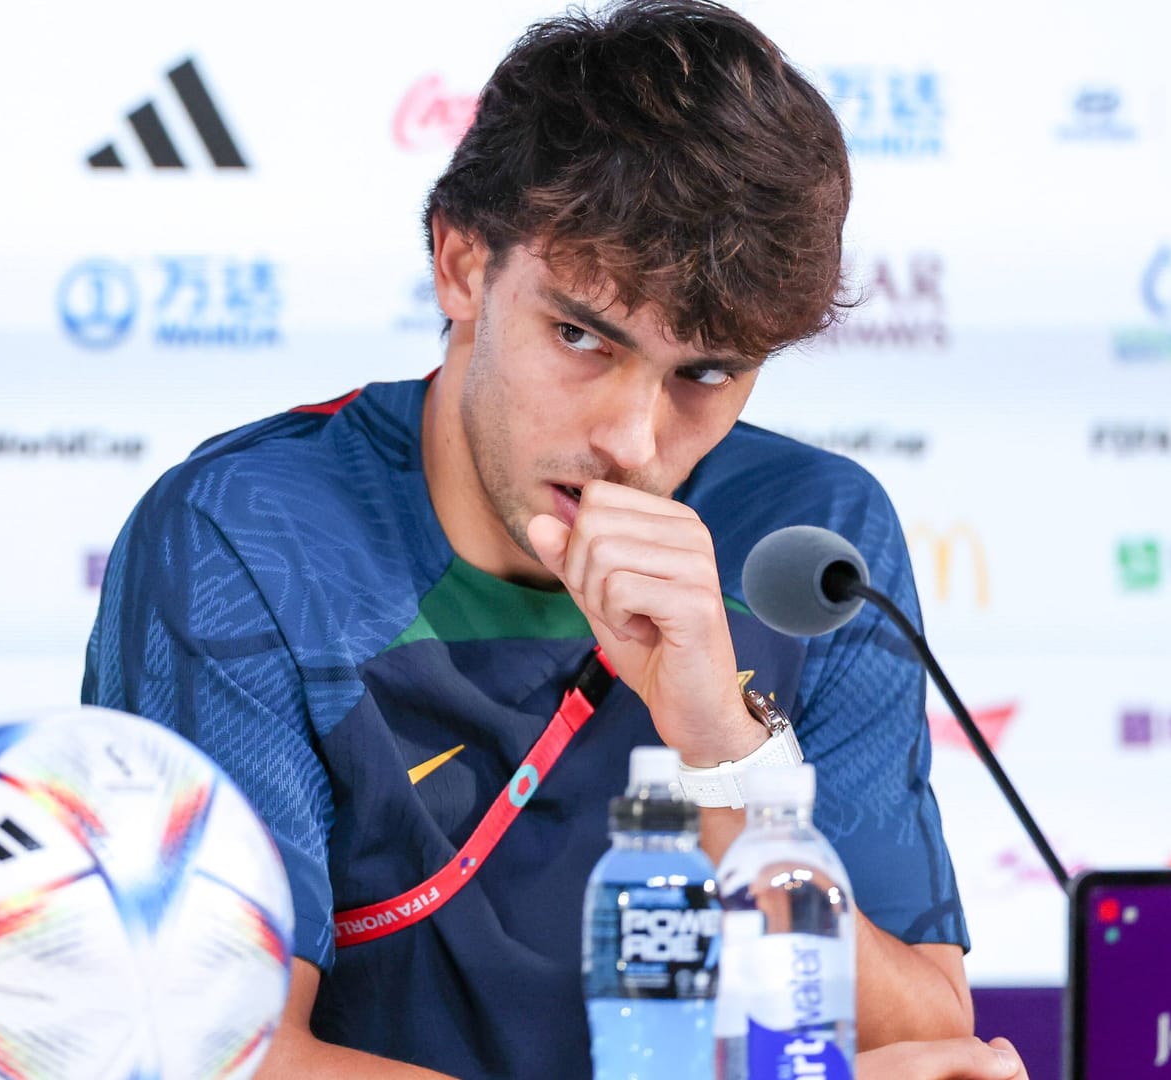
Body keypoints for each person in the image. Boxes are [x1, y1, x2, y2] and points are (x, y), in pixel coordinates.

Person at [85, 1, 1000, 1076]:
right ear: (463, 264)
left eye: (703, 374)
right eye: (581, 336)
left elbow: (932, 1043)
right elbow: (222, 1057)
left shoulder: (810, 545)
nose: (632, 440)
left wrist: (727, 753)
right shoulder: (248, 535)